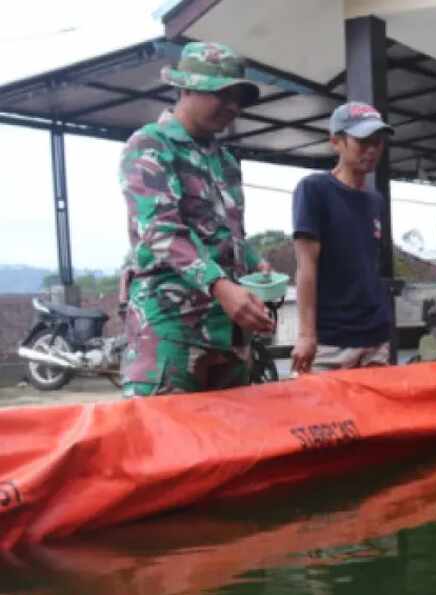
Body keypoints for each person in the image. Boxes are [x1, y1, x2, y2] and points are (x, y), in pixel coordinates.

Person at [119, 42, 274, 397]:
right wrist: (222, 286)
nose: (233, 107)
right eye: (223, 94)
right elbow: (160, 231)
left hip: (228, 337)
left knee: (228, 444)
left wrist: (255, 263)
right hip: (171, 332)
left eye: (239, 98)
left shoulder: (226, 161)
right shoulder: (150, 146)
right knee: (163, 443)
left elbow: (230, 234)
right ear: (185, 88)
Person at [289, 103, 395, 374]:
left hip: (375, 337)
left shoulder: (375, 201)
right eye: (362, 141)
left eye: (377, 142)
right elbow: (306, 267)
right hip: (331, 341)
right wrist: (306, 335)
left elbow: (368, 266)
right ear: (336, 142)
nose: (372, 149)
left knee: (374, 416)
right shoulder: (315, 190)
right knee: (324, 416)